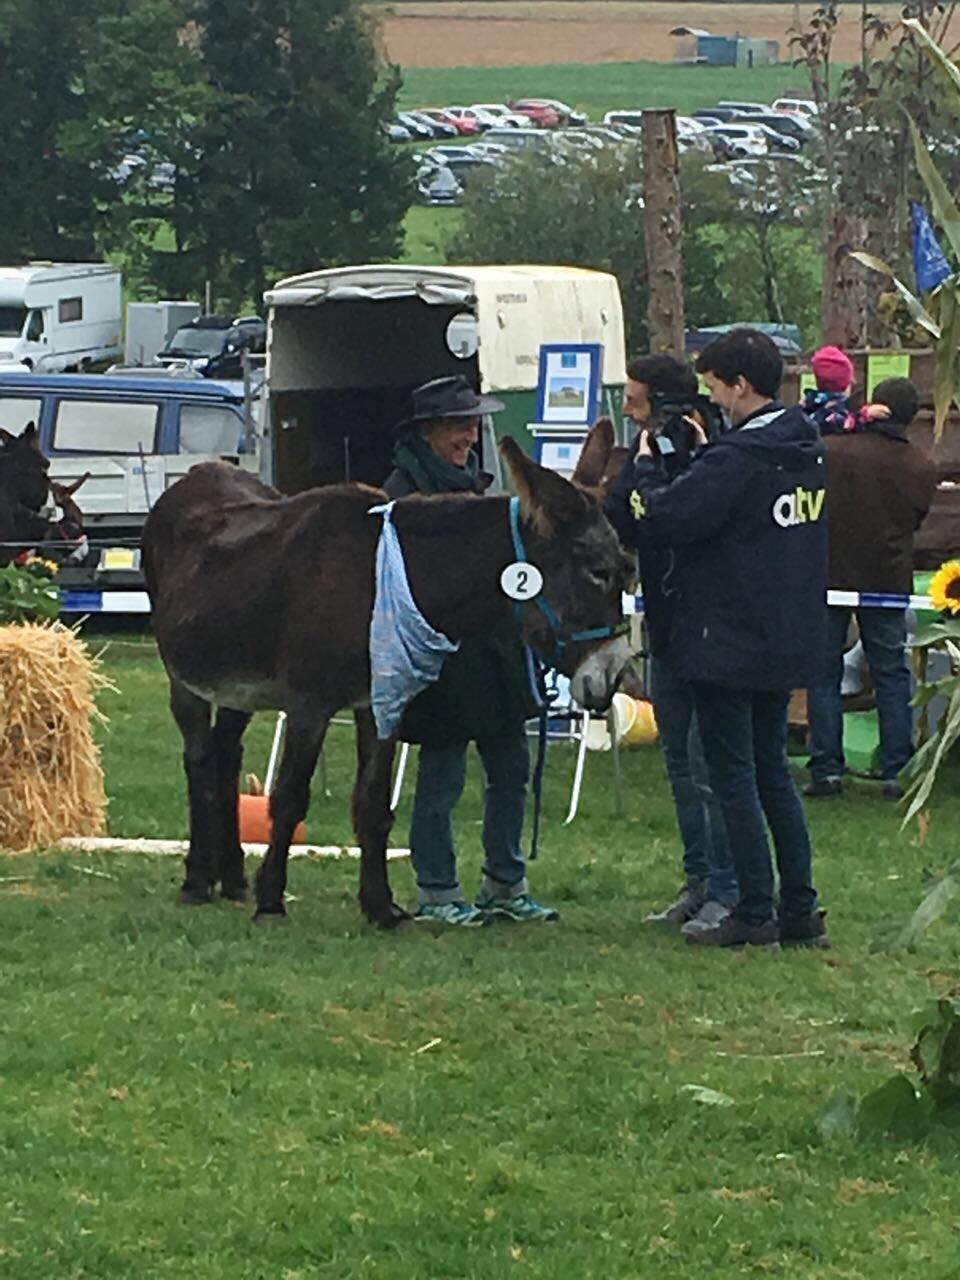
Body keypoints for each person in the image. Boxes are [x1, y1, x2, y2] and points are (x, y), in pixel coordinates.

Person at [614, 329, 828, 949]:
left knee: (733, 776)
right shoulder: (805, 446)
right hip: (782, 630)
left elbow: (667, 518)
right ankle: (800, 908)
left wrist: (652, 469)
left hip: (727, 634)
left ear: (740, 385)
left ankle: (754, 908)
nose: (713, 402)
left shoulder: (737, 458)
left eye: (716, 388)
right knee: (774, 774)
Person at [383, 375, 558, 927]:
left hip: (496, 651)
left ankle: (505, 882)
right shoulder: (402, 493)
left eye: (472, 424)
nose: (469, 435)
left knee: (512, 767)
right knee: (443, 776)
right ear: (430, 431)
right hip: (444, 656)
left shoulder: (475, 488)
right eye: (459, 425)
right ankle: (436, 888)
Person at [606, 354, 738, 935]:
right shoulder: (641, 453)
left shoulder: (707, 450)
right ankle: (698, 879)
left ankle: (728, 887)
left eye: (636, 397)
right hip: (664, 624)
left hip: (704, 624)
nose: (628, 405)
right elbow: (621, 517)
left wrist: (651, 478)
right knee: (678, 762)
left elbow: (671, 518)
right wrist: (636, 471)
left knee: (709, 765)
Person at [805, 376, 937, 799]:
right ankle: (897, 769)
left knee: (823, 673)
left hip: (829, 574)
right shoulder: (919, 466)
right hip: (887, 576)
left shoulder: (830, 452)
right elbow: (912, 520)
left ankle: (826, 768)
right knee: (891, 674)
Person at [802, 345, 855, 434]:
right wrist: (865, 415)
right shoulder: (838, 412)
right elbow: (847, 423)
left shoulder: (807, 406)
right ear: (846, 385)